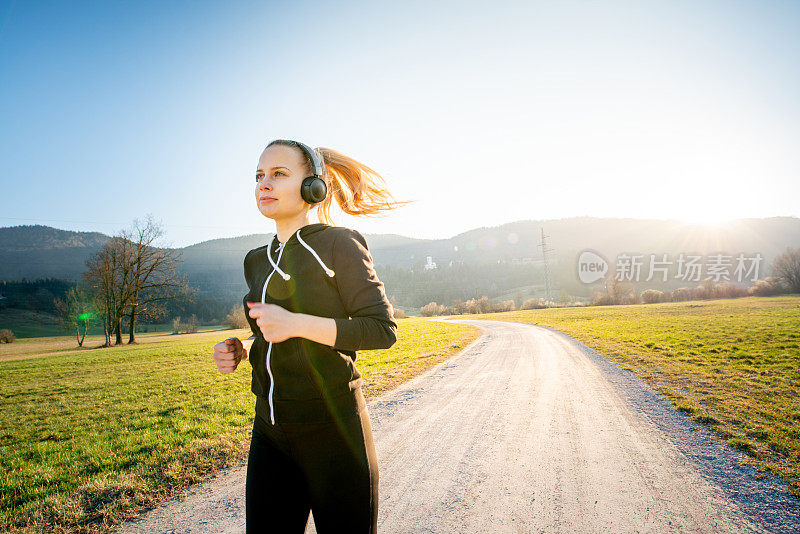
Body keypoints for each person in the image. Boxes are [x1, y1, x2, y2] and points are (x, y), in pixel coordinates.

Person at [211, 139, 411, 533]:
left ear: (313, 187)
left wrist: (297, 323)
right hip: (269, 433)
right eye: (259, 176)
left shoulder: (340, 243)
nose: (263, 184)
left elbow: (381, 329)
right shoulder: (254, 260)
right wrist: (241, 349)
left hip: (335, 434)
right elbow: (267, 337)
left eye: (279, 174)